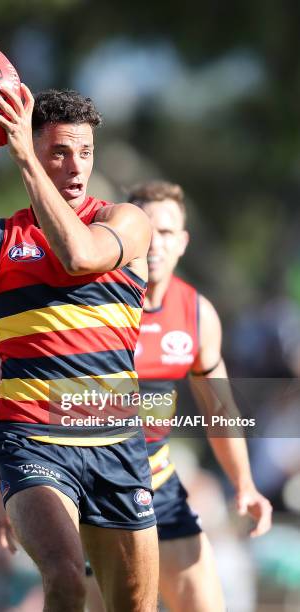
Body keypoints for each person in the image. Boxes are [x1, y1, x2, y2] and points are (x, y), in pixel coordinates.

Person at [0, 83, 158, 612]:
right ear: (32, 151)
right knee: (64, 577)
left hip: (116, 442)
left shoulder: (125, 222)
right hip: (32, 439)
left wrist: (23, 161)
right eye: (58, 152)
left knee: (135, 607)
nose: (76, 167)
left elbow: (80, 256)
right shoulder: (1, 236)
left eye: (85, 152)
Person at [127, 180, 273, 612]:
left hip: (157, 482)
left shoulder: (195, 313)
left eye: (167, 232)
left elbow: (218, 407)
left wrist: (244, 485)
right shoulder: (92, 305)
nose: (155, 243)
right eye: (144, 231)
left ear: (183, 242)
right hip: (94, 488)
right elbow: (8, 387)